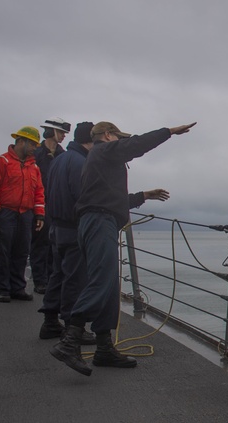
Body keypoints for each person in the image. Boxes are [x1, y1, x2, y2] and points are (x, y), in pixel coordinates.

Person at [51, 120, 195, 376]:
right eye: (119, 137)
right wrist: (168, 132)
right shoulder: (103, 150)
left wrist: (143, 196)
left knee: (108, 286)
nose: (121, 142)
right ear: (107, 135)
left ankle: (104, 347)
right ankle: (69, 341)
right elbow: (137, 145)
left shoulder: (97, 160)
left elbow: (110, 197)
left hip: (95, 221)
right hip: (99, 222)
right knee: (100, 282)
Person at [38, 121, 169, 343]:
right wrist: (138, 198)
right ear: (93, 139)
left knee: (58, 275)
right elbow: (93, 198)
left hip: (56, 227)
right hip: (79, 227)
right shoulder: (84, 162)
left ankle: (50, 321)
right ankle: (73, 331)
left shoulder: (59, 160)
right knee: (78, 279)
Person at [0, 126, 46, 302]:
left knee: (22, 252)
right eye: (32, 144)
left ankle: (17, 287)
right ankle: (2, 289)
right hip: (6, 213)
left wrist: (39, 214)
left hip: (26, 214)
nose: (34, 148)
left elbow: (39, 191)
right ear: (21, 141)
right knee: (4, 251)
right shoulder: (0, 162)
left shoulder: (34, 168)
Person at [30, 117, 70, 294]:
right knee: (40, 244)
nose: (63, 136)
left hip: (55, 205)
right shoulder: (36, 154)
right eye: (60, 132)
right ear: (51, 132)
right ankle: (39, 280)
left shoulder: (62, 154)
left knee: (53, 244)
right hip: (38, 204)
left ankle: (50, 278)